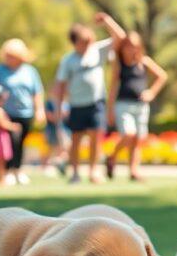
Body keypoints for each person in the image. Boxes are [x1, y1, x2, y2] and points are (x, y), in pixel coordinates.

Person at [53, 12, 126, 184]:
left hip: (96, 102)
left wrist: (108, 21)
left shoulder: (97, 50)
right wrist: (59, 106)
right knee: (76, 140)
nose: (87, 44)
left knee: (95, 138)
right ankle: (75, 172)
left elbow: (121, 38)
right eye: (83, 41)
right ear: (74, 42)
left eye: (88, 40)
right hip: (77, 104)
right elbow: (61, 85)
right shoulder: (68, 61)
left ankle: (94, 171)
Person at [105, 31, 167, 181]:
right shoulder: (119, 65)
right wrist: (110, 109)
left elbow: (162, 76)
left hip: (141, 106)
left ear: (139, 48)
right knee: (129, 133)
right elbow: (113, 86)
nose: (130, 50)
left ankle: (133, 170)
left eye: (133, 46)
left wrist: (151, 92)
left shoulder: (143, 62)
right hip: (123, 104)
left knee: (137, 139)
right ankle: (112, 157)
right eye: (127, 46)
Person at [0, 38, 45, 185]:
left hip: (25, 113)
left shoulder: (30, 71)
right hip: (5, 113)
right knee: (10, 142)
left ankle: (17, 170)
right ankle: (8, 171)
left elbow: (37, 92)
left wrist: (40, 110)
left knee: (20, 142)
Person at [40, 96, 68, 176]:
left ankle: (59, 163)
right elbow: (48, 115)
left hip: (63, 129)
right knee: (49, 148)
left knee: (64, 147)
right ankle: (45, 166)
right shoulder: (50, 102)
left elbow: (67, 115)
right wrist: (57, 117)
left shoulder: (65, 103)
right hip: (51, 129)